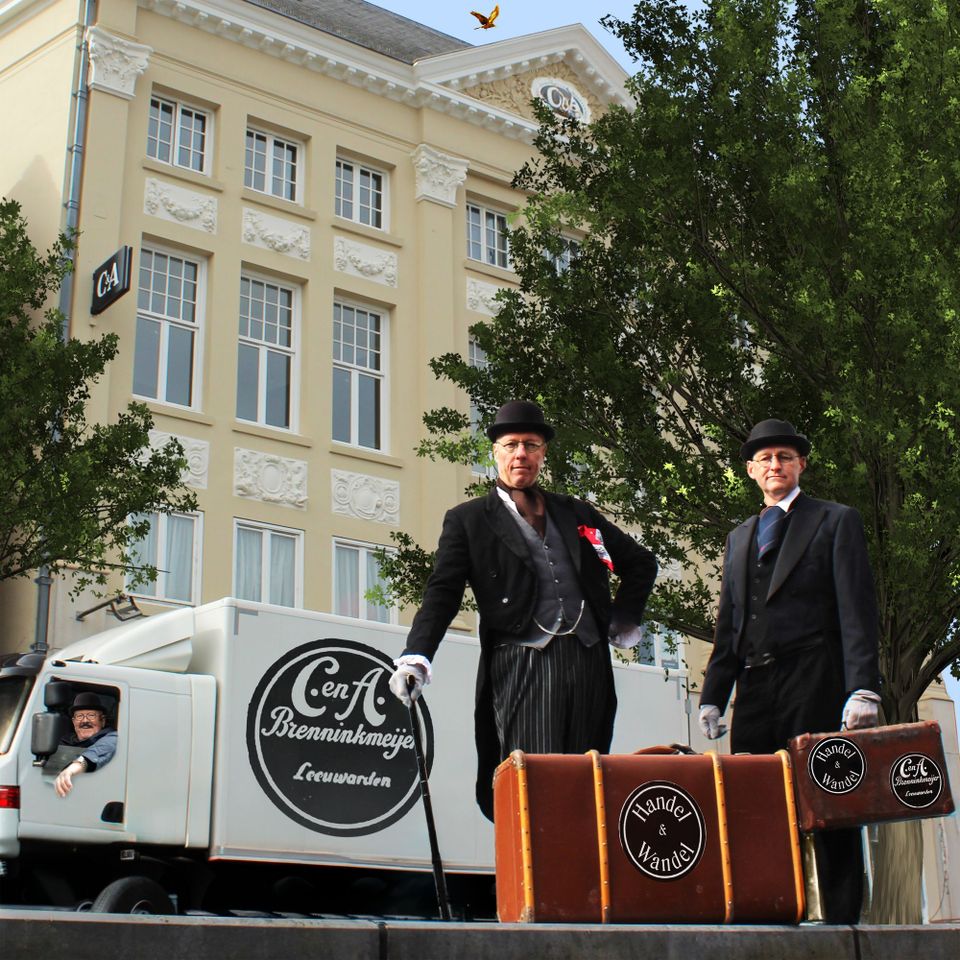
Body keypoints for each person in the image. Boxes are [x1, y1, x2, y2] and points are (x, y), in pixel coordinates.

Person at [388, 400, 657, 819]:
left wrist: (622, 619)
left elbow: (640, 563)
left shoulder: (576, 512)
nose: (521, 455)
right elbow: (443, 591)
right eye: (511, 445)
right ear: (494, 451)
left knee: (588, 782)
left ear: (543, 453)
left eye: (531, 445)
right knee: (535, 779)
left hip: (587, 658)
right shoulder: (469, 520)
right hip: (523, 661)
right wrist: (418, 655)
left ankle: (583, 876)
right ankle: (538, 875)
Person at [698, 418, 881, 923]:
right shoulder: (739, 538)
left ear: (800, 465)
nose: (774, 465)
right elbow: (731, 622)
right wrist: (714, 693)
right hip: (756, 688)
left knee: (831, 802)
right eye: (765, 459)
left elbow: (856, 609)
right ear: (752, 471)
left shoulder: (835, 520)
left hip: (815, 678)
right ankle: (772, 918)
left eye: (784, 457)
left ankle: (844, 926)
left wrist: (862, 688)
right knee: (756, 806)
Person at [54, 692, 119, 798]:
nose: (85, 720)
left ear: (102, 721)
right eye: (79, 716)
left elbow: (96, 753)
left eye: (91, 715)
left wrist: (72, 769)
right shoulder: (64, 741)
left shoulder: (111, 737)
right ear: (74, 722)